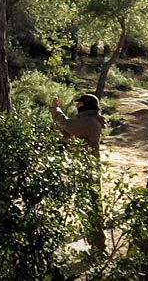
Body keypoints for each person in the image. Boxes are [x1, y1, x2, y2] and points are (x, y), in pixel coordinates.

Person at [50, 93, 106, 252]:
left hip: (87, 168)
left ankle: (98, 247)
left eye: (79, 104)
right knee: (89, 206)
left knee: (92, 207)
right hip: (84, 167)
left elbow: (67, 124)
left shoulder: (88, 122)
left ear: (84, 106)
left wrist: (55, 109)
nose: (76, 106)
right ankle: (96, 244)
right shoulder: (89, 121)